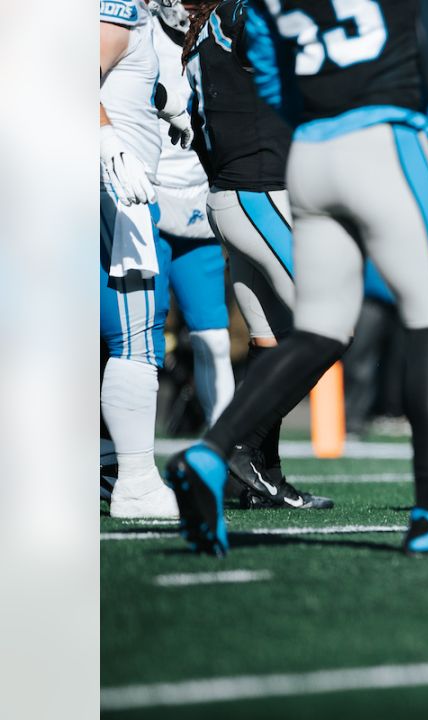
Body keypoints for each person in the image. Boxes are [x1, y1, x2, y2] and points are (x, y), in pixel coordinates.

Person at [165, 0, 428, 557]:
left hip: (310, 158)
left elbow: (274, 84)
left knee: (322, 329)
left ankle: (214, 451)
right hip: (382, 138)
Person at [180, 0, 333, 510]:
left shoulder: (207, 31)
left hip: (234, 197)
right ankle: (235, 444)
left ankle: (260, 479)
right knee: (330, 328)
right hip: (260, 195)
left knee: (273, 344)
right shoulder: (243, 15)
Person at [100, 0, 179, 519]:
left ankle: (107, 466)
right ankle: (135, 481)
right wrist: (107, 138)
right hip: (114, 191)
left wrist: (166, 106)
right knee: (135, 334)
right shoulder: (120, 8)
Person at [150, 1, 236, 430]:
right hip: (143, 200)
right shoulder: (133, 35)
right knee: (136, 342)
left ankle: (227, 453)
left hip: (199, 207)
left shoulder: (219, 39)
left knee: (214, 339)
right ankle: (119, 457)